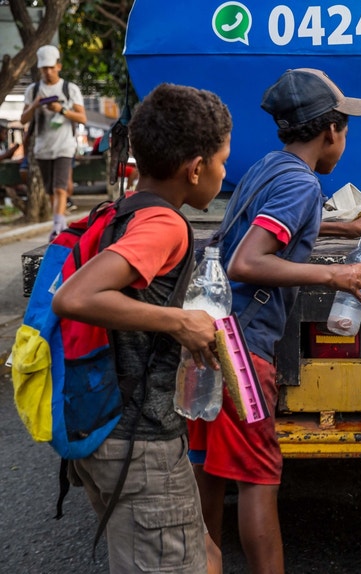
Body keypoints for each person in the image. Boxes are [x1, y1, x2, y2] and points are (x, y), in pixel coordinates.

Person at [188, 68, 361, 574]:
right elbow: (246, 261)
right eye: (345, 129)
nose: (344, 139)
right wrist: (335, 277)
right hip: (243, 351)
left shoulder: (272, 167)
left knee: (209, 470)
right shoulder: (301, 185)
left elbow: (278, 216)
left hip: (215, 333)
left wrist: (344, 224)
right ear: (330, 132)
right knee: (257, 476)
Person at [51, 83, 233, 574]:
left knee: (206, 555)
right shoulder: (165, 225)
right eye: (221, 161)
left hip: (107, 428)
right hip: (139, 443)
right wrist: (179, 321)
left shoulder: (122, 211)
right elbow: (76, 298)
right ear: (195, 169)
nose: (224, 172)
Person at [19, 45, 87, 239]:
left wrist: (61, 109)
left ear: (58, 66)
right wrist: (35, 105)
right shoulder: (33, 90)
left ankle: (56, 227)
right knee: (50, 189)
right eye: (43, 68)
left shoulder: (69, 89)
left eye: (50, 67)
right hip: (42, 147)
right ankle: (60, 222)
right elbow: (23, 119)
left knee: (60, 187)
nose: (47, 72)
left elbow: (82, 118)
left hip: (65, 146)